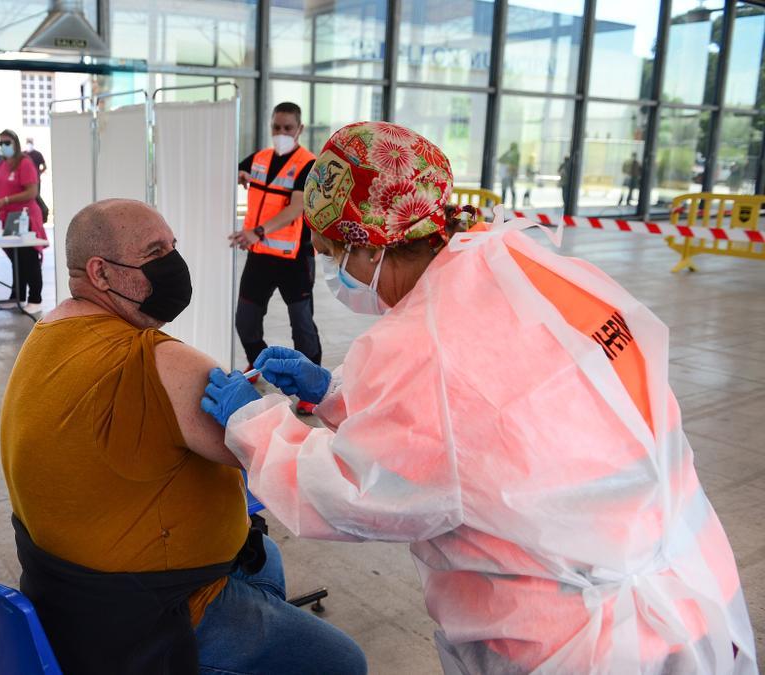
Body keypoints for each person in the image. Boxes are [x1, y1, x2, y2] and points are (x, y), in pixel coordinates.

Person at [200, 121, 757, 674]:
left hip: (581, 636)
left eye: (330, 254)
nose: (330, 271)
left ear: (370, 247)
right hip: (691, 578)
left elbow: (353, 492)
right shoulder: (520, 265)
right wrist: (336, 396)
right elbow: (486, 424)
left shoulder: (421, 344)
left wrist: (252, 424)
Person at [1, 198, 367, 675]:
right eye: (156, 252)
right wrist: (299, 405)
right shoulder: (164, 362)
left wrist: (325, 393)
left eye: (174, 246)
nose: (174, 264)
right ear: (101, 273)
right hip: (147, 616)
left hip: (71, 588)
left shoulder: (48, 330)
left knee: (264, 556)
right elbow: (292, 465)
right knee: (343, 663)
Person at [232, 101, 322, 414]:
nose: (281, 133)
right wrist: (240, 172)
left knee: (302, 325)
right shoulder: (259, 158)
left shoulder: (308, 164)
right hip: (260, 257)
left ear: (300, 129)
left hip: (294, 258)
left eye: (287, 128)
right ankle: (260, 362)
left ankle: (311, 387)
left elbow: (296, 208)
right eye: (276, 127)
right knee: (245, 321)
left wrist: (257, 231)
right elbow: (236, 170)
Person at [0, 129, 47, 314]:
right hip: (7, 218)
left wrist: (7, 200)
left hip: (24, 216)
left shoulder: (25, 163)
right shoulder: (1, 164)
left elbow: (32, 192)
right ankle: (17, 295)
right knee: (16, 258)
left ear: (15, 143)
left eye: (7, 143)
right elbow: (0, 189)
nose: (3, 147)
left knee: (28, 257)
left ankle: (35, 298)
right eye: (0, 143)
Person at [498, 142, 520, 206]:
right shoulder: (510, 153)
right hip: (508, 174)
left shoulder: (514, 154)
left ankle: (508, 203)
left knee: (509, 189)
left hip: (509, 174)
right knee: (508, 189)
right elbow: (500, 159)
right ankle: (508, 203)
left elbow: (516, 165)